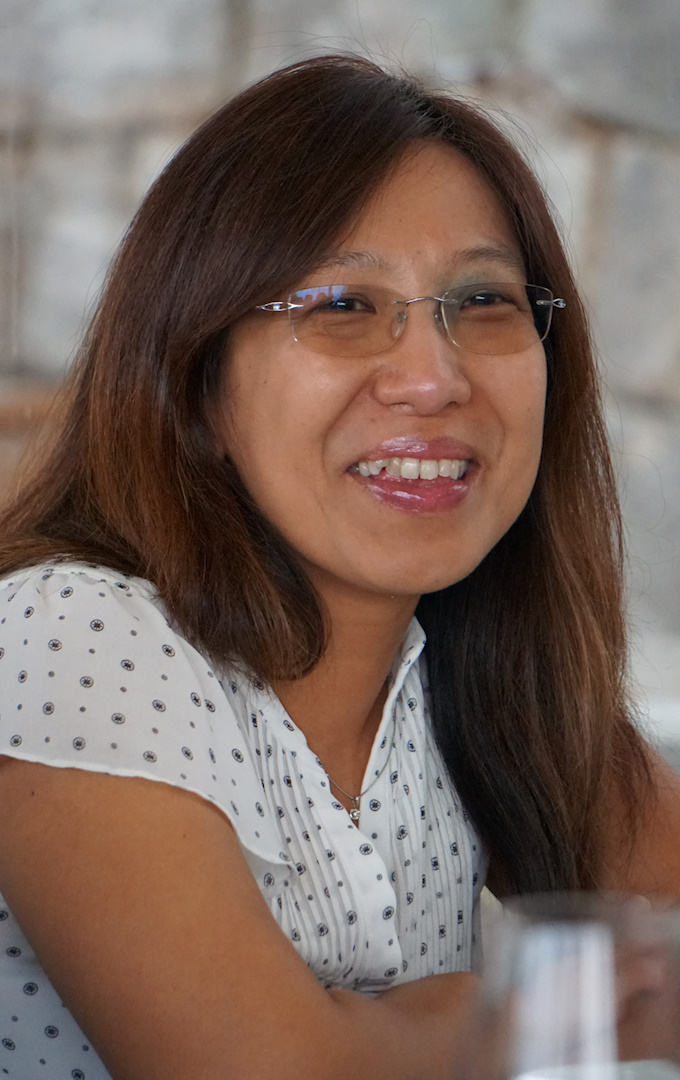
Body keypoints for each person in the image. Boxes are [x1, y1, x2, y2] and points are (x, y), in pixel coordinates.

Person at [0, 53, 678, 1080]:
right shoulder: (69, 632)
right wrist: (503, 1014)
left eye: (483, 300)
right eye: (343, 306)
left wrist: (415, 1027)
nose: (432, 378)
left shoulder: (481, 674)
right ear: (196, 384)